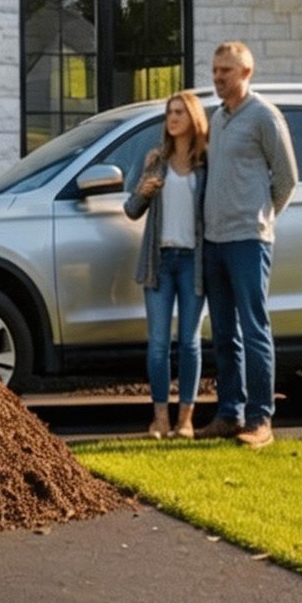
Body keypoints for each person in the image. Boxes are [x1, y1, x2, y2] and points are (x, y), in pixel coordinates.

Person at [198, 41, 298, 450]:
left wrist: (261, 216)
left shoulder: (264, 116)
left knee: (255, 329)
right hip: (215, 240)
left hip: (248, 240)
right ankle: (229, 413)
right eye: (216, 70)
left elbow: (287, 179)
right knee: (224, 332)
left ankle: (260, 420)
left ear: (246, 73)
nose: (218, 77)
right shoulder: (217, 119)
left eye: (227, 71)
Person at [125, 90, 210, 439]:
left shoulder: (205, 166)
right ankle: (160, 418)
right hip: (160, 261)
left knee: (189, 342)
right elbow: (131, 210)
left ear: (193, 119)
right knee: (158, 344)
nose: (172, 118)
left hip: (193, 261)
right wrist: (144, 191)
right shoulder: (155, 160)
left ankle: (186, 420)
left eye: (179, 112)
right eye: (169, 113)